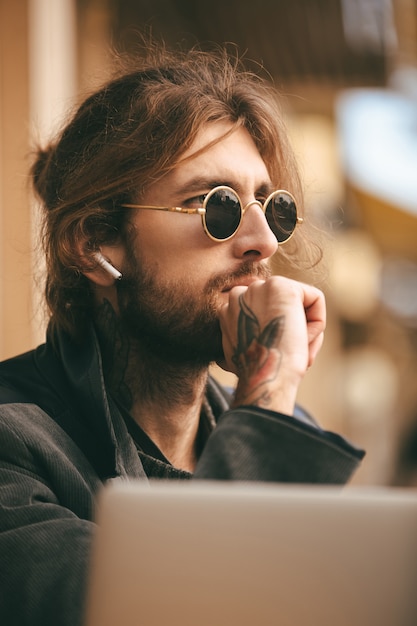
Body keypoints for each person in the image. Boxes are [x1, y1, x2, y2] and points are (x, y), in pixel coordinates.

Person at [0, 42, 364, 626]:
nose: (264, 243)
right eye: (215, 207)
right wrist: (269, 393)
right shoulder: (12, 446)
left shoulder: (285, 433)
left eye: (272, 209)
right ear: (96, 243)